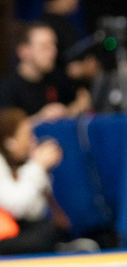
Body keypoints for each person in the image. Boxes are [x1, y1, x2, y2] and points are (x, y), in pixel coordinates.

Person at [0, 107, 97, 254]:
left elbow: (35, 212)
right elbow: (17, 207)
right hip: (5, 234)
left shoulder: (21, 166)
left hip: (19, 228)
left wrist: (37, 169)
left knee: (48, 228)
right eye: (27, 136)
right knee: (44, 234)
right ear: (10, 142)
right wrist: (37, 166)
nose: (32, 141)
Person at [0, 22, 91, 123]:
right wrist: (40, 118)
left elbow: (81, 98)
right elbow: (6, 131)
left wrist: (68, 111)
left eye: (54, 45)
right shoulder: (7, 88)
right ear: (23, 51)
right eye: (45, 46)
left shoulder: (57, 77)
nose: (53, 52)